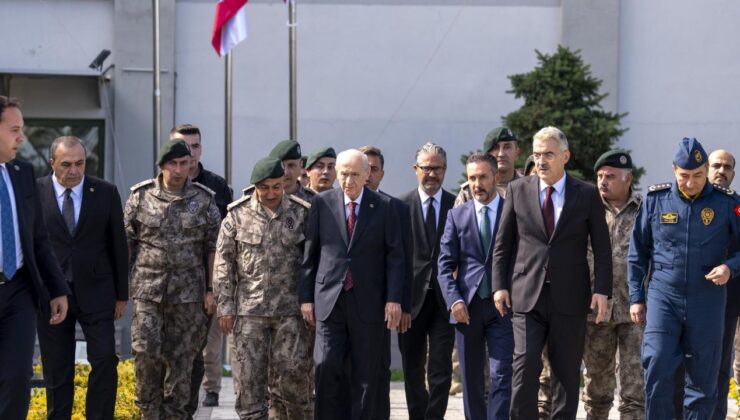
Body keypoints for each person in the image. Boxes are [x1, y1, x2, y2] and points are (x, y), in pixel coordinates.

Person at [492, 126, 612, 420]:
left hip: (570, 296)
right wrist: (499, 286)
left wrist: (602, 291)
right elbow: (503, 244)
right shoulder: (518, 190)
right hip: (526, 295)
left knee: (567, 373)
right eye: (536, 154)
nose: (541, 161)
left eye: (548, 154)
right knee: (525, 365)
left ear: (565, 156)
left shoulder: (585, 194)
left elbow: (602, 248)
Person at [629, 138, 740, 419]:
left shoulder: (727, 203)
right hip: (664, 296)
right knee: (657, 363)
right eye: (684, 176)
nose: (690, 183)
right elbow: (638, 252)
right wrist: (636, 297)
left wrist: (730, 267)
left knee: (704, 377)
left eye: (698, 176)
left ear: (706, 170)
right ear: (674, 170)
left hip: (708, 300)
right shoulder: (656, 200)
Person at [299, 149, 405, 419]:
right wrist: (306, 298)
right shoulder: (322, 203)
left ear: (367, 174)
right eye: (343, 174)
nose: (347, 181)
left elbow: (395, 257)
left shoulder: (384, 207)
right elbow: (310, 254)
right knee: (326, 367)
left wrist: (394, 299)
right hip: (330, 301)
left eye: (354, 175)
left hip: (369, 302)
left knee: (366, 375)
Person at [124, 139, 221, 419]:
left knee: (181, 361)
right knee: (145, 353)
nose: (179, 170)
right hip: (148, 293)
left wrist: (212, 290)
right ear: (162, 166)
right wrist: (122, 288)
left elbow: (213, 247)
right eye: (172, 164)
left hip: (189, 297)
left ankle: (175, 414)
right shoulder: (140, 197)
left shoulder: (204, 200)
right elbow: (127, 244)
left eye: (184, 164)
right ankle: (148, 412)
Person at [36, 136, 128, 420]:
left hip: (97, 292)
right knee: (56, 367)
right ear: (52, 163)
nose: (74, 170)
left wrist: (121, 295)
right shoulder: (34, 192)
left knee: (104, 360)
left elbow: (118, 245)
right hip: (52, 294)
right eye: (66, 164)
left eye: (80, 163)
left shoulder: (105, 192)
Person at [214, 157, 313, 419]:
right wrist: (225, 307)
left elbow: (312, 263)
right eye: (265, 187)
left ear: (285, 183)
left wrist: (310, 302)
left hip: (290, 313)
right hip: (249, 314)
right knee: (249, 385)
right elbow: (223, 263)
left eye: (277, 187)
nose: (271, 193)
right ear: (255, 186)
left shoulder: (301, 213)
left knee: (294, 381)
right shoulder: (236, 214)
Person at [0, 96, 69, 419]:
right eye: (14, 129)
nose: (21, 138)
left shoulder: (22, 173)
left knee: (17, 377)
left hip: (18, 290)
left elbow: (38, 238)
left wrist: (57, 289)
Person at [438, 152, 513, 419]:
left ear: (495, 176)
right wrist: (454, 301)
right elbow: (444, 265)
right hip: (466, 309)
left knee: (502, 373)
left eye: (482, 177)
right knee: (471, 381)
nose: (477, 183)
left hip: (503, 308)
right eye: (472, 178)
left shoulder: (511, 212)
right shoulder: (456, 216)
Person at [169, 124, 233, 412]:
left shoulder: (218, 187)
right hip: (170, 285)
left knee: (208, 344)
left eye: (194, 147)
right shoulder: (157, 187)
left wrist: (219, 284)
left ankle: (210, 390)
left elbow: (229, 235)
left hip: (209, 279)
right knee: (170, 352)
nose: (189, 153)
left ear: (200, 149)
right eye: (182, 147)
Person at [580, 150, 644, 419]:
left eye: (611, 176)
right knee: (597, 388)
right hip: (597, 313)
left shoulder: (645, 211)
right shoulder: (586, 210)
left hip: (635, 311)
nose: (603, 182)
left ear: (628, 179)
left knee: (635, 389)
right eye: (600, 176)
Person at [397, 142, 456, 420]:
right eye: (426, 168)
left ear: (445, 170)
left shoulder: (456, 204)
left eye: (437, 169)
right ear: (415, 169)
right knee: (412, 366)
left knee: (441, 369)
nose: (431, 174)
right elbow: (394, 259)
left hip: (445, 300)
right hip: (410, 302)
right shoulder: (399, 206)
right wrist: (398, 301)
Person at [358, 145, 412, 420]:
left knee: (379, 370)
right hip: (346, 303)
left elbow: (402, 259)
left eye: (373, 169)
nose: (367, 175)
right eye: (362, 169)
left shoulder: (396, 208)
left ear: (381, 174)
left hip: (382, 305)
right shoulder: (334, 204)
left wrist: (402, 302)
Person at [455, 126, 521, 206]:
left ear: (517, 153)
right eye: (496, 148)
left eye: (507, 147)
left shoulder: (528, 187)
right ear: (487, 155)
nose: (501, 154)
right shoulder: (470, 190)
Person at [243, 140, 315, 204]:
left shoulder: (313, 199)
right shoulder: (252, 195)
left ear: (301, 165)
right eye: (281, 166)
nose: (286, 172)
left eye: (291, 165)